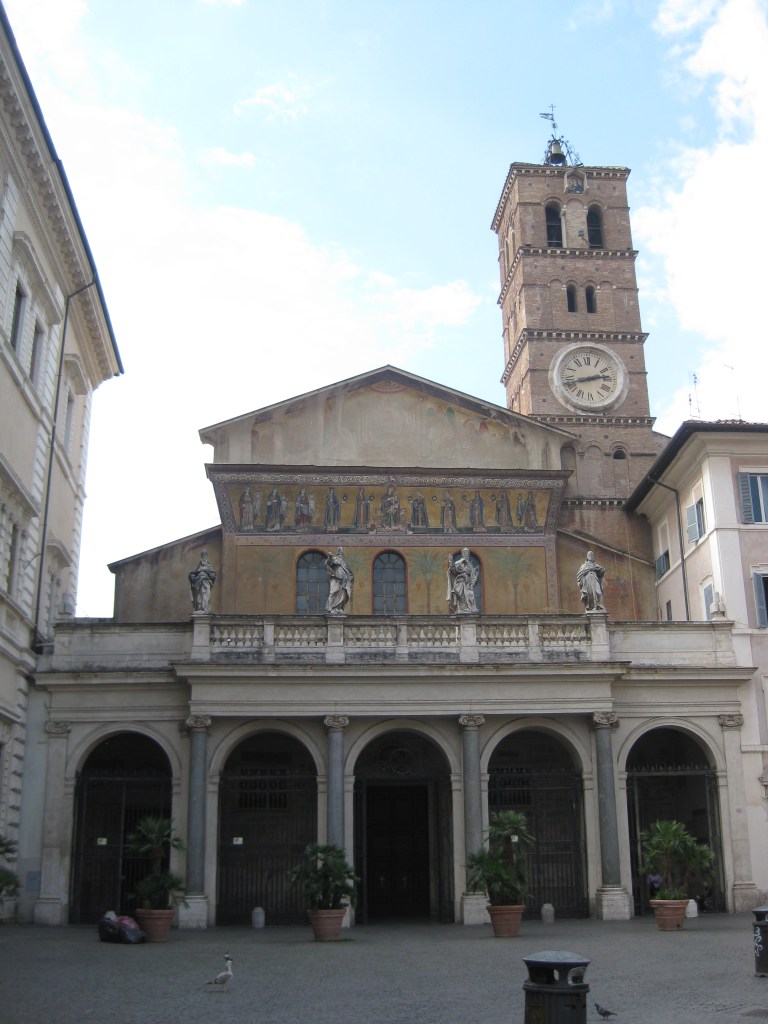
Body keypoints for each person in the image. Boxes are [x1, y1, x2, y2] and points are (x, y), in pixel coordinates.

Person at [447, 547, 478, 614]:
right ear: (462, 554)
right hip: (460, 581)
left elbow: (472, 574)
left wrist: (474, 577)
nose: (467, 554)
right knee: (461, 596)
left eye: (467, 553)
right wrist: (450, 562)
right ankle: (462, 609)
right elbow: (453, 571)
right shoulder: (458, 562)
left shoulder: (470, 565)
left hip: (468, 584)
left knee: (470, 596)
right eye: (465, 552)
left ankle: (469, 608)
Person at [325, 547, 354, 614]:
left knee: (343, 594)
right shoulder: (335, 560)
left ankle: (339, 608)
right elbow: (329, 563)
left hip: (344, 581)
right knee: (334, 592)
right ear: (337, 554)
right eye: (339, 554)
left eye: (341, 554)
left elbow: (349, 572)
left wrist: (349, 578)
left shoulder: (344, 563)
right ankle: (332, 608)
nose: (340, 555)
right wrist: (330, 557)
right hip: (337, 580)